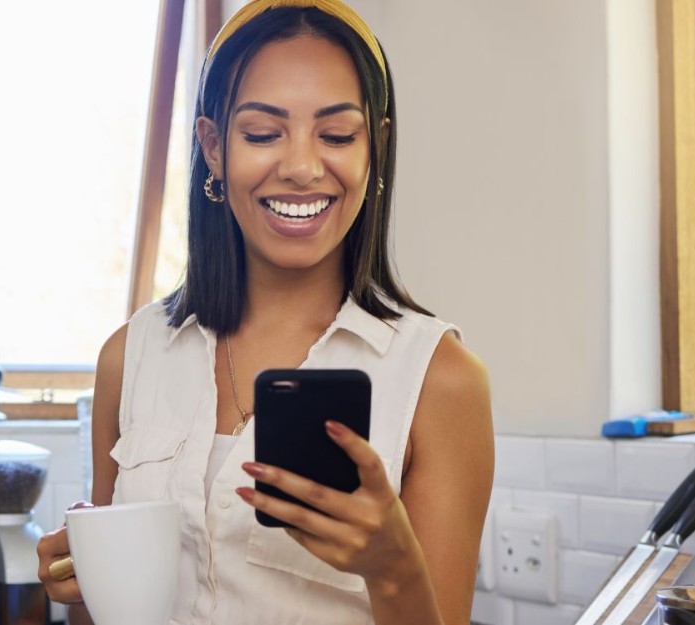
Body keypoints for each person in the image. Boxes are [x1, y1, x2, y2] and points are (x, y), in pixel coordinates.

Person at [38, 1, 493, 623]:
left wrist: (393, 568)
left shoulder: (442, 382)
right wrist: (82, 575)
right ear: (214, 147)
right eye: (261, 134)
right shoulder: (130, 356)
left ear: (376, 149)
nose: (303, 168)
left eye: (336, 135)